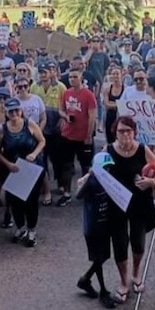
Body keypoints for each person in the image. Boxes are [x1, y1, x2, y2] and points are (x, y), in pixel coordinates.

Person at [107, 116, 155, 304]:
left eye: (128, 131)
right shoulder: (107, 150)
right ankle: (123, 281)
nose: (125, 135)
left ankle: (136, 274)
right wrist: (85, 178)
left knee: (138, 243)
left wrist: (152, 181)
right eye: (121, 131)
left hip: (139, 203)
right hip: (117, 204)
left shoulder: (142, 149)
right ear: (115, 132)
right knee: (120, 244)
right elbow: (95, 171)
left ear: (134, 132)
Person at [0, 98, 46, 247]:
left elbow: (42, 141)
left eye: (17, 110)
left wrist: (34, 154)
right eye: (11, 111)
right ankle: (20, 227)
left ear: (21, 111)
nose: (14, 113)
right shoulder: (2, 130)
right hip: (13, 170)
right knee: (15, 202)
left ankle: (31, 230)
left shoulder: (30, 124)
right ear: (7, 113)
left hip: (31, 169)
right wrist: (7, 163)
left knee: (31, 201)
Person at [75, 152, 118, 309]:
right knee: (98, 257)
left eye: (109, 168)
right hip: (93, 226)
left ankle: (85, 279)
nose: (107, 171)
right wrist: (89, 177)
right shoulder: (92, 181)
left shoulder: (110, 180)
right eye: (104, 168)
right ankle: (103, 290)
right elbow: (78, 195)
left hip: (104, 224)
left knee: (104, 256)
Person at [56, 68, 97, 207]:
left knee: (86, 166)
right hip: (68, 135)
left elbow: (92, 116)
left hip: (83, 136)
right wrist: (66, 116)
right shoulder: (67, 93)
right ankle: (66, 193)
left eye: (75, 76)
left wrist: (89, 135)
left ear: (81, 78)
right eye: (70, 77)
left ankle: (86, 192)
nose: (72, 79)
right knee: (66, 165)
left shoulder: (88, 94)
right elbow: (61, 110)